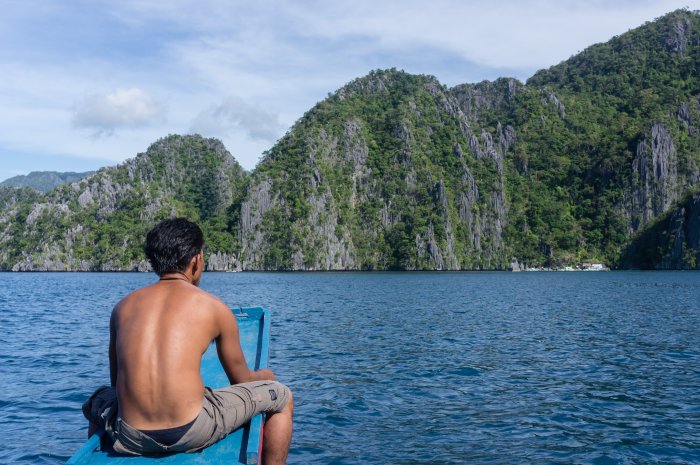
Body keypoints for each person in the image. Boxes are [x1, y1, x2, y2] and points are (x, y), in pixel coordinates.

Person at [82, 218, 293, 463]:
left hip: (130, 436)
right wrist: (265, 375)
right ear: (196, 260)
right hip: (191, 431)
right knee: (283, 397)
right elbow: (241, 381)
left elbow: (117, 384)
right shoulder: (214, 307)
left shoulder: (122, 308)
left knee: (97, 400)